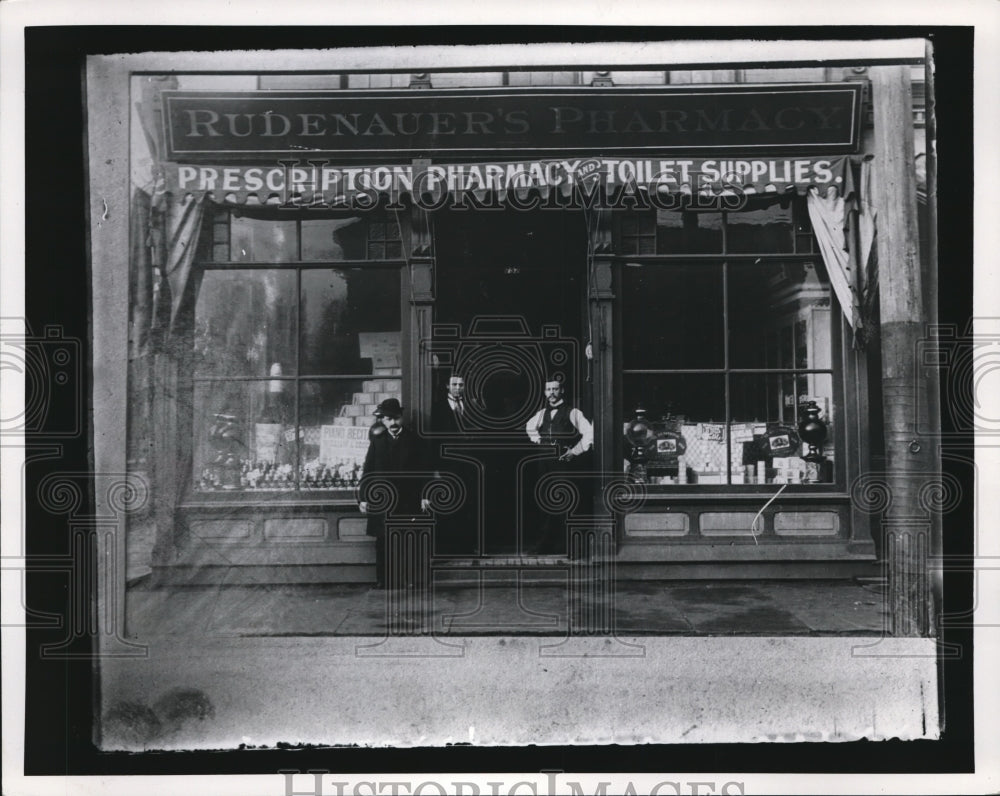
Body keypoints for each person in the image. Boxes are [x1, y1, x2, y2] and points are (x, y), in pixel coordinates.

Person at [358, 398, 432, 589]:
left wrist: (425, 495)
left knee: (407, 540)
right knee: (383, 541)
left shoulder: (415, 440)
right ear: (383, 420)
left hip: (408, 499)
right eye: (388, 419)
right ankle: (383, 580)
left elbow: (425, 470)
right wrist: (364, 497)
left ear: (401, 418)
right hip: (383, 500)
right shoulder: (377, 442)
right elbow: (368, 471)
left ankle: (409, 579)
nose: (393, 423)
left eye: (396, 418)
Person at [524, 378, 594, 555]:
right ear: (545, 392)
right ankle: (545, 545)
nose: (552, 393)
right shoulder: (541, 414)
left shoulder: (573, 412)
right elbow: (530, 427)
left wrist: (575, 451)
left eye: (555, 389)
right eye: (548, 389)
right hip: (545, 461)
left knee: (566, 501)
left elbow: (589, 434)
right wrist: (539, 440)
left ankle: (572, 548)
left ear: (562, 391)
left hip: (563, 462)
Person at [430, 372, 479, 556]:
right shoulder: (437, 409)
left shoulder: (472, 407)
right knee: (450, 505)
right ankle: (449, 549)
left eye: (461, 384)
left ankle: (468, 547)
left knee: (469, 505)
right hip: (447, 467)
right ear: (447, 386)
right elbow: (434, 442)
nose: (458, 388)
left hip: (468, 467)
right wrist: (435, 468)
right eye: (454, 384)